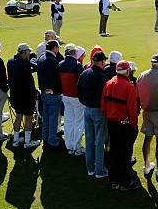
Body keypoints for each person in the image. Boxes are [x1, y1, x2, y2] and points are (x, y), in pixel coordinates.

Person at [101, 60, 139, 191]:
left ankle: (114, 180)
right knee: (124, 154)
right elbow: (132, 110)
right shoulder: (129, 87)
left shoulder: (108, 83)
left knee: (114, 152)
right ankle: (125, 182)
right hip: (124, 125)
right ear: (127, 71)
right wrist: (134, 125)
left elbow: (103, 105)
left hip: (111, 123)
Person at [77, 50, 109, 178]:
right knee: (99, 141)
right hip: (98, 112)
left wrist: (85, 102)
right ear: (101, 62)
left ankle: (90, 169)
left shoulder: (84, 73)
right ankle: (99, 171)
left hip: (87, 109)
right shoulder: (103, 77)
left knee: (89, 140)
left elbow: (78, 90)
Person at [7, 44, 40, 149]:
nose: (29, 53)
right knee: (29, 118)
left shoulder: (10, 60)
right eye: (28, 52)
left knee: (19, 116)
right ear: (24, 52)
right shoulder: (25, 64)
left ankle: (16, 141)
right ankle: (27, 141)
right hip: (26, 95)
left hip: (15, 95)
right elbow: (29, 80)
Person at [59, 44, 85, 155]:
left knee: (69, 120)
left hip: (65, 96)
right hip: (76, 97)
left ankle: (69, 145)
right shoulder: (77, 65)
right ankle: (76, 147)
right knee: (78, 121)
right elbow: (81, 83)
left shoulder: (60, 64)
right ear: (74, 52)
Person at [37, 40, 62, 149]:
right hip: (52, 93)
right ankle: (52, 141)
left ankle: (46, 138)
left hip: (44, 92)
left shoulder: (41, 57)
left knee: (46, 117)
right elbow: (54, 79)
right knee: (52, 118)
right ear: (55, 48)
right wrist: (57, 91)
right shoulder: (52, 60)